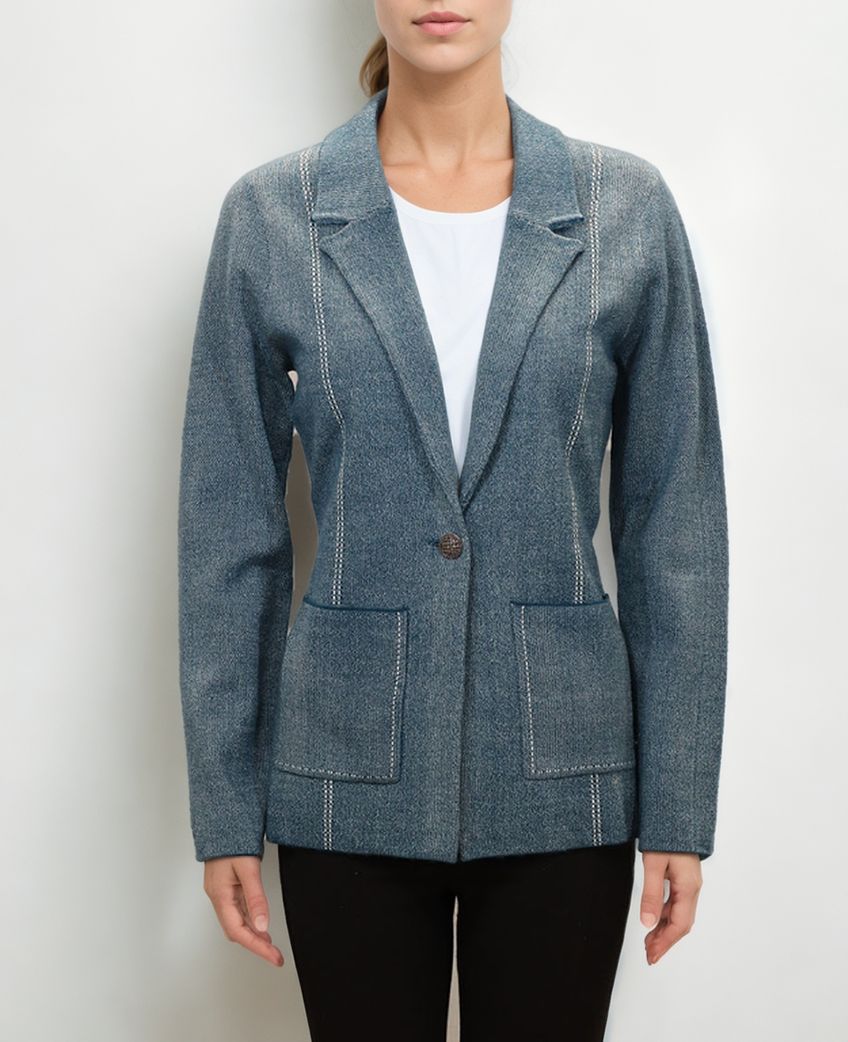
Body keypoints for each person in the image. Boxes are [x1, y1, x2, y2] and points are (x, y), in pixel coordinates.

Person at [177, 2, 729, 1039]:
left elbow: (675, 529)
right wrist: (226, 811)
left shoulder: (622, 207)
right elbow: (228, 539)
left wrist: (678, 805)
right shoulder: (273, 215)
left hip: (567, 774)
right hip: (344, 771)